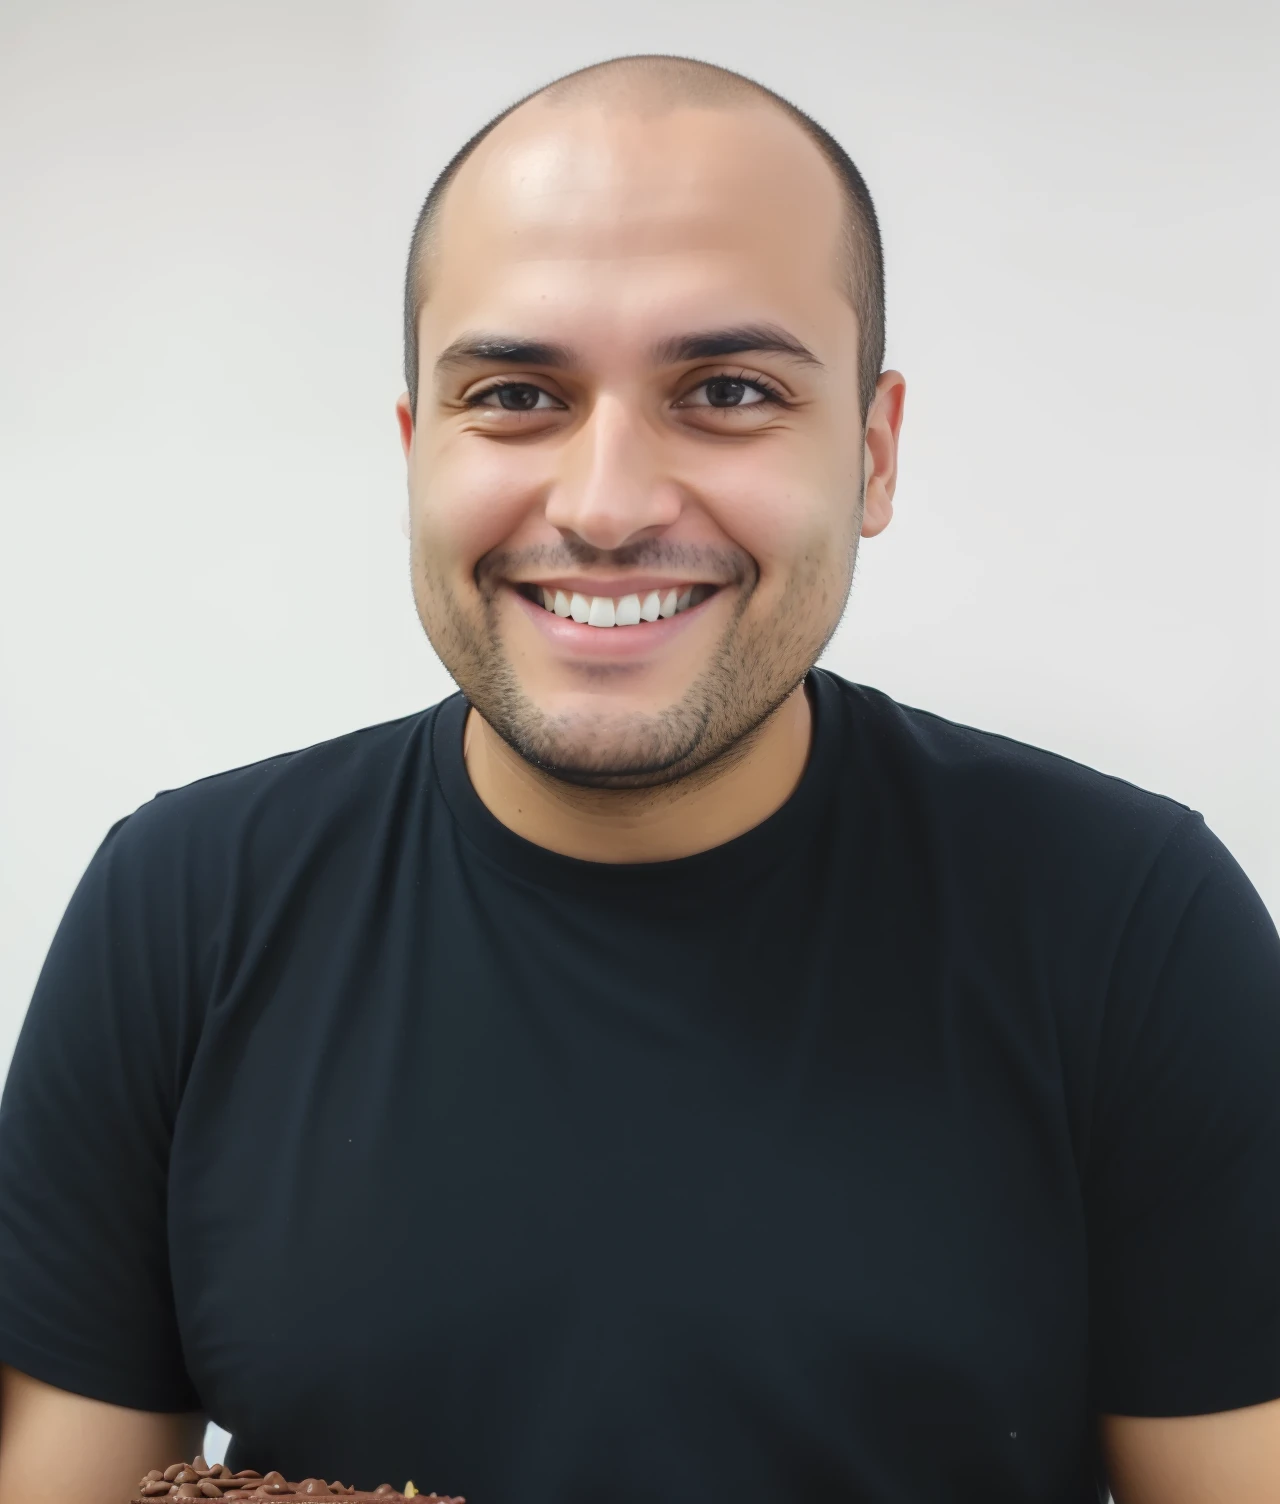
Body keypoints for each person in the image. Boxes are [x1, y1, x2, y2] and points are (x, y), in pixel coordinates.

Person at [0, 52, 1277, 1504]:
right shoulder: (178, 912)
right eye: (516, 393)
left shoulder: (1130, 928)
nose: (606, 504)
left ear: (870, 449)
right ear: (417, 451)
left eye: (727, 390)